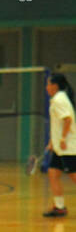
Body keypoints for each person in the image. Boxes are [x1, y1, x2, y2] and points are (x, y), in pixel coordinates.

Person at [42, 73, 75, 218]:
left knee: (74, 177)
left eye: (48, 84)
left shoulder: (59, 100)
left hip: (67, 147)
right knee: (53, 174)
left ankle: (59, 207)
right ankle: (59, 207)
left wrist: (61, 139)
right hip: (59, 147)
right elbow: (58, 123)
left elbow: (67, 120)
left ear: (55, 86)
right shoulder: (57, 99)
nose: (46, 87)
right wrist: (51, 142)